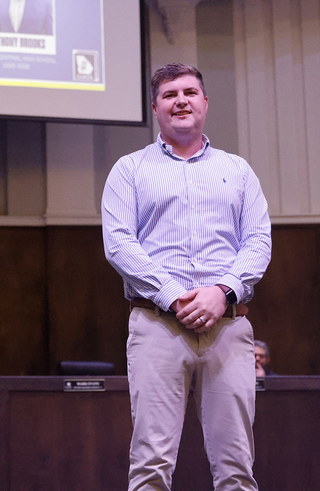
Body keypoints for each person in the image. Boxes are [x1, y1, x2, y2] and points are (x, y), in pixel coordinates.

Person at [102, 63, 272, 491]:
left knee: (237, 467)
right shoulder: (129, 169)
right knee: (151, 465)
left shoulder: (238, 170)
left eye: (190, 93)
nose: (181, 101)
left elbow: (258, 242)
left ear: (205, 103)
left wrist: (222, 292)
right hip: (157, 326)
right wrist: (176, 296)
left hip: (228, 327)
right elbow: (119, 243)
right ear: (155, 108)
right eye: (170, 95)